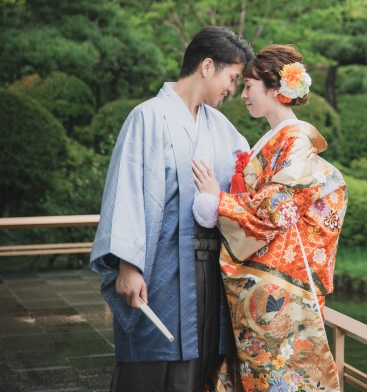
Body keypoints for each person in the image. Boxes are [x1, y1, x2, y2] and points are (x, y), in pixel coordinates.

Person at [90, 26, 254, 392]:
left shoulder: (223, 129)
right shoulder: (148, 117)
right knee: (151, 364)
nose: (232, 88)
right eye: (232, 77)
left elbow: (248, 185)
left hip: (210, 270)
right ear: (207, 66)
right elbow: (128, 193)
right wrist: (129, 267)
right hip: (160, 265)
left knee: (202, 361)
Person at [191, 44, 347, 392]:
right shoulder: (276, 139)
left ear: (277, 91)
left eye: (249, 86)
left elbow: (277, 208)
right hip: (266, 276)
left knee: (278, 373)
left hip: (281, 281)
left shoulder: (295, 141)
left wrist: (220, 201)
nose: (242, 94)